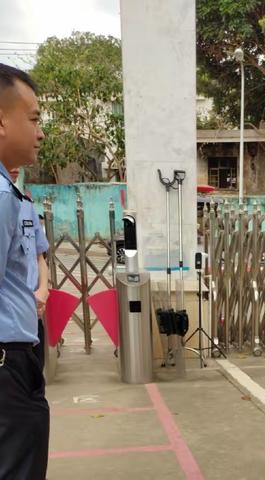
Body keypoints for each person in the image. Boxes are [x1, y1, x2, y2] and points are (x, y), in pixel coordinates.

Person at [0, 63, 49, 479]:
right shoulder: (1, 196)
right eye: (33, 119)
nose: (40, 132)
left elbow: (39, 257)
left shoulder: (15, 196)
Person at [9, 167, 49, 369]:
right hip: (10, 326)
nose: (15, 167)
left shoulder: (26, 207)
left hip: (34, 317)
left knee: (36, 381)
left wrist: (43, 290)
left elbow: (40, 257)